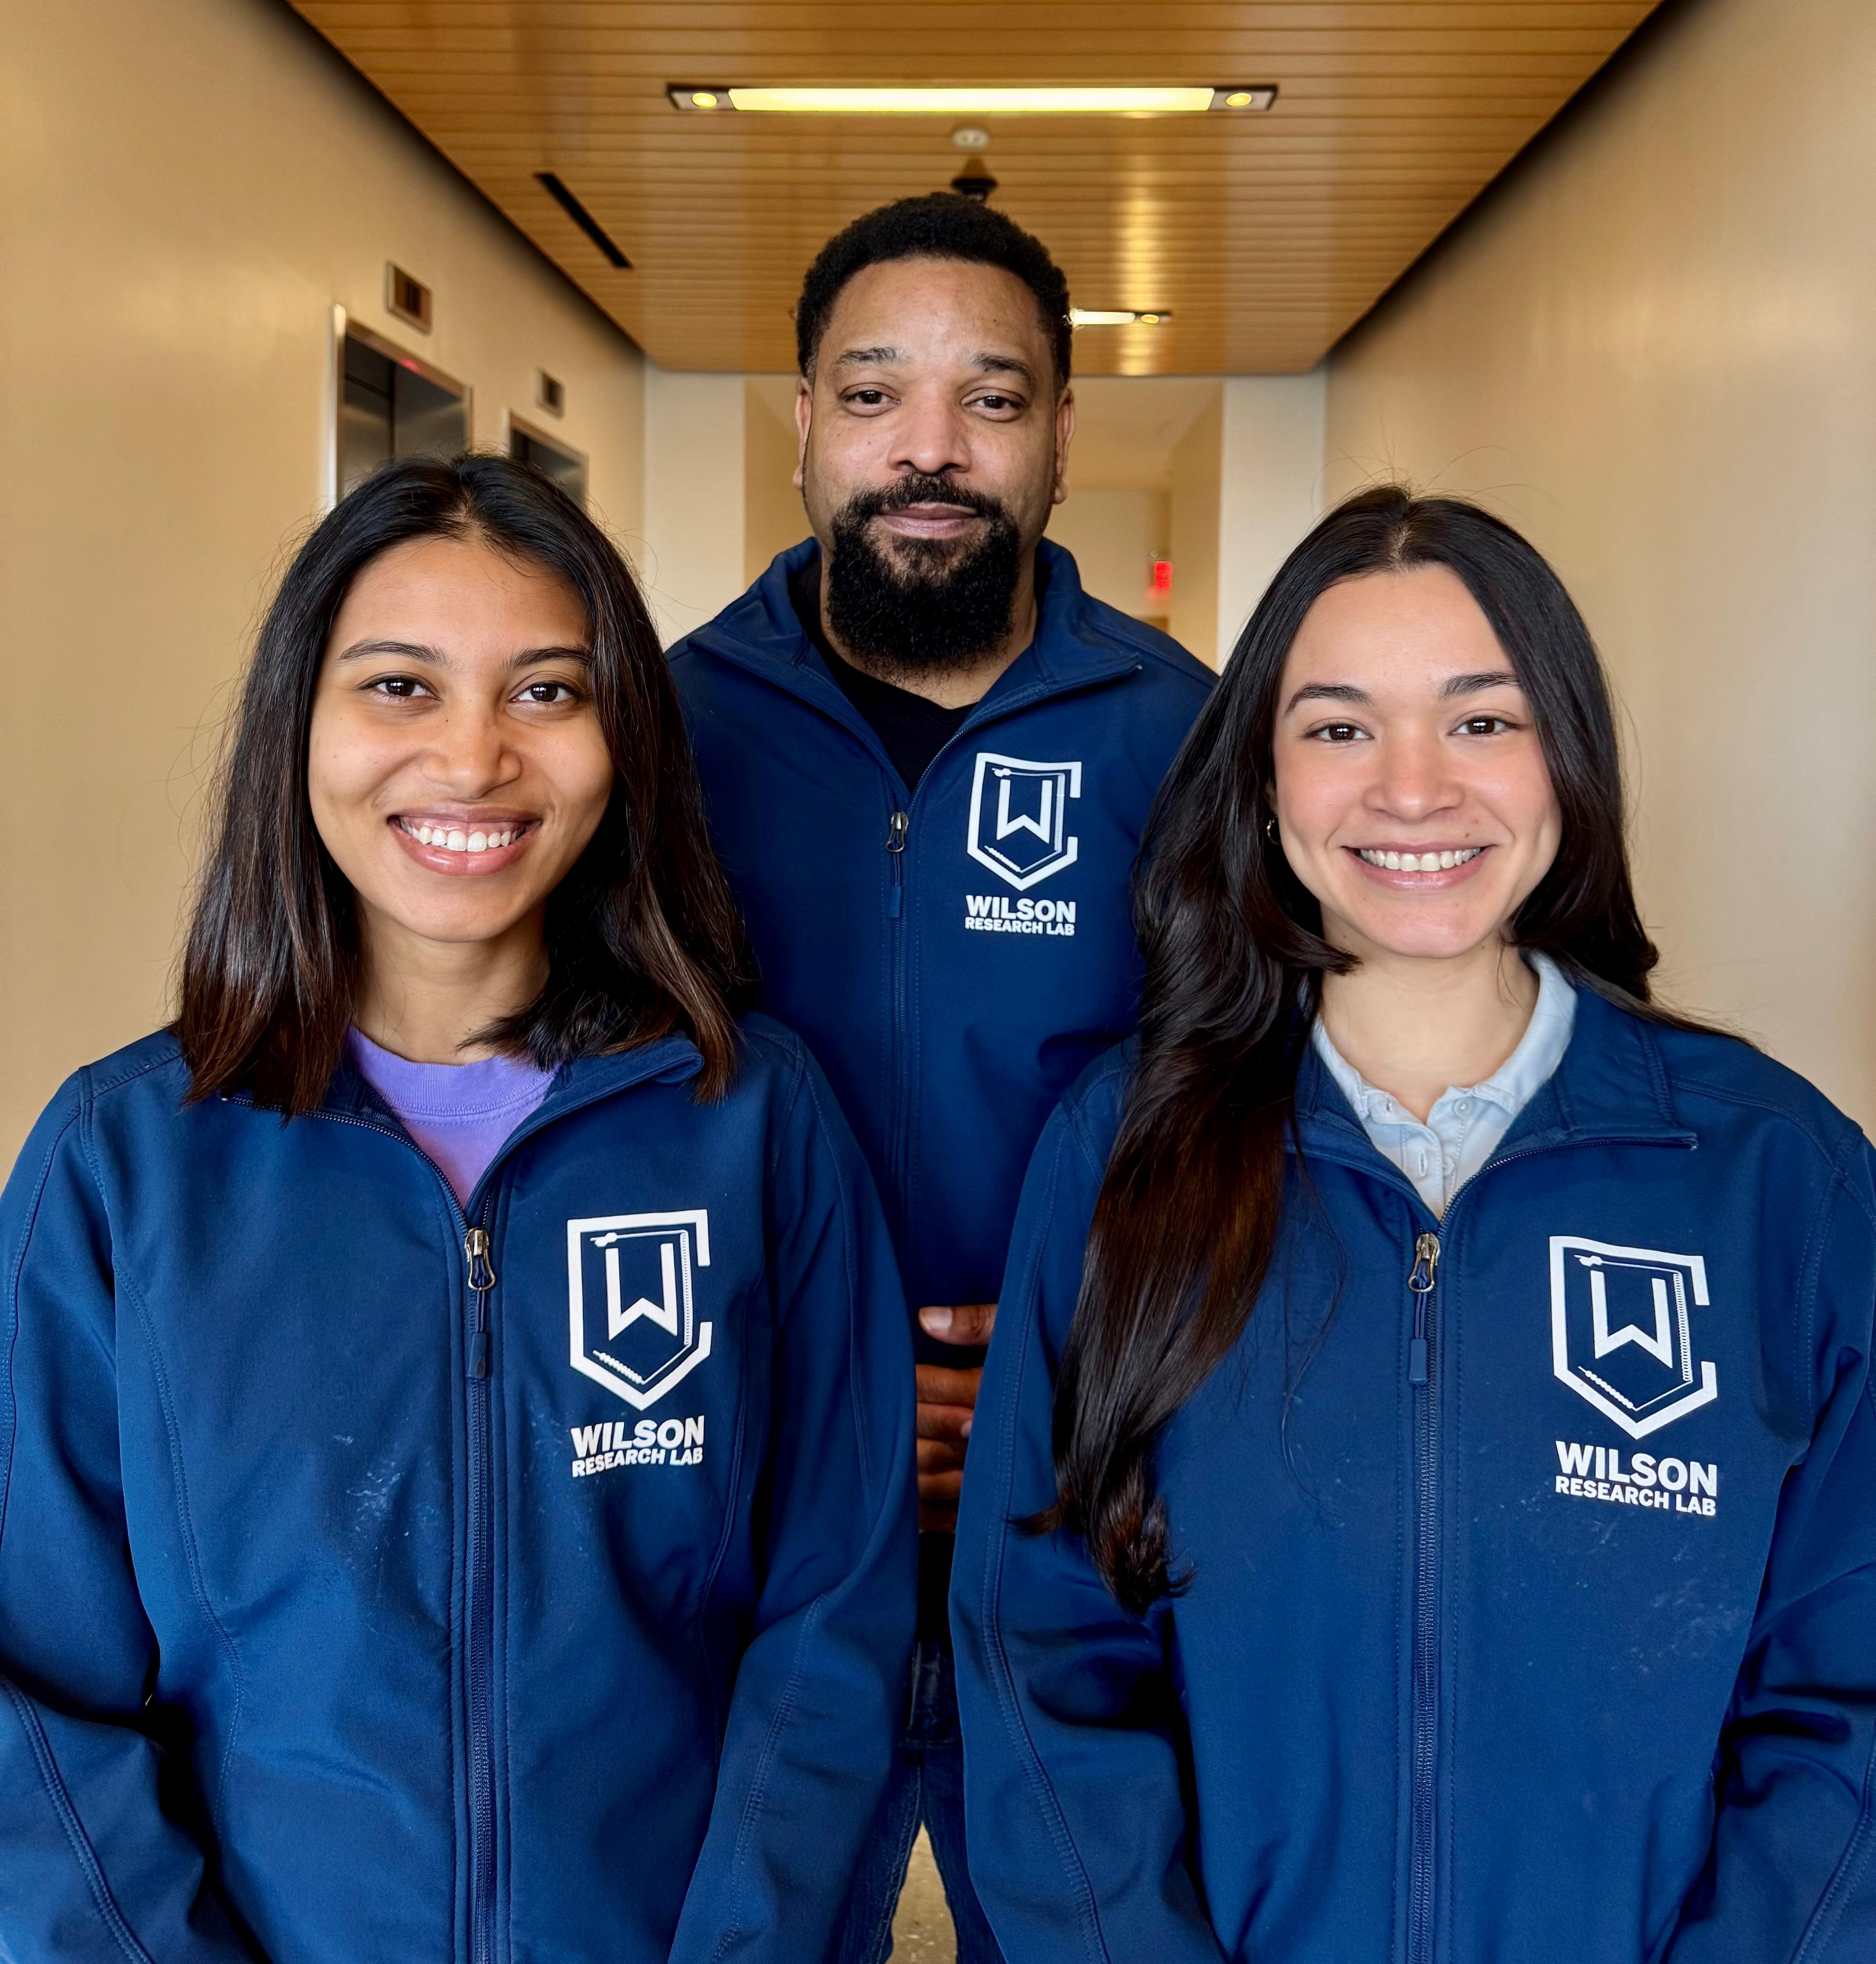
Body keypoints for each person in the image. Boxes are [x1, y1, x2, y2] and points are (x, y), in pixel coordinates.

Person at [0, 455, 917, 1963]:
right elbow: (37, 1686)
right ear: (301, 725)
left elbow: (836, 1616)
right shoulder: (126, 1165)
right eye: (401, 687)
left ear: (623, 736)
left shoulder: (752, 1124)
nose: (475, 757)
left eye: (547, 691)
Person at [952, 486, 1876, 1963]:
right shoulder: (1123, 1152)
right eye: (1336, 727)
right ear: (1260, 781)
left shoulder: (1774, 1177)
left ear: (1566, 756)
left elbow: (1850, 1698)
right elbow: (1039, 1655)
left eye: (1480, 720)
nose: (1411, 789)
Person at [667, 194, 1213, 1957]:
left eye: (992, 399)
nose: (930, 449)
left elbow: (1248, 1102)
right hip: (735, 1514)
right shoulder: (662, 732)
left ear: (1064, 435)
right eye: (874, 392)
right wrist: (805, 1374)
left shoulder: (1181, 737)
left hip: (1079, 1520)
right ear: (804, 422)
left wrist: (1094, 1371)